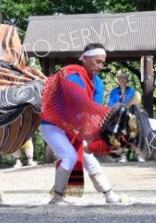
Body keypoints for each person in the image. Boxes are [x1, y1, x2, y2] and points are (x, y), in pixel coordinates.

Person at [41, 43, 121, 205]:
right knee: (69, 156)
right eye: (97, 61)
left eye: (102, 62)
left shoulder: (98, 83)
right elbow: (80, 103)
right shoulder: (71, 75)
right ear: (84, 58)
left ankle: (109, 194)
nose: (100, 66)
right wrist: (111, 112)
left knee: (90, 159)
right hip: (53, 125)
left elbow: (93, 111)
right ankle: (57, 197)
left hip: (75, 127)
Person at [108, 72, 145, 163]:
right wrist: (117, 106)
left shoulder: (132, 91)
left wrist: (127, 107)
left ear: (127, 81)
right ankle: (122, 156)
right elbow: (110, 104)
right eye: (121, 78)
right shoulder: (114, 92)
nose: (123, 80)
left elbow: (136, 104)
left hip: (129, 116)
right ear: (118, 80)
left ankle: (138, 154)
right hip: (117, 116)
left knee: (132, 133)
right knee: (115, 133)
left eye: (125, 78)